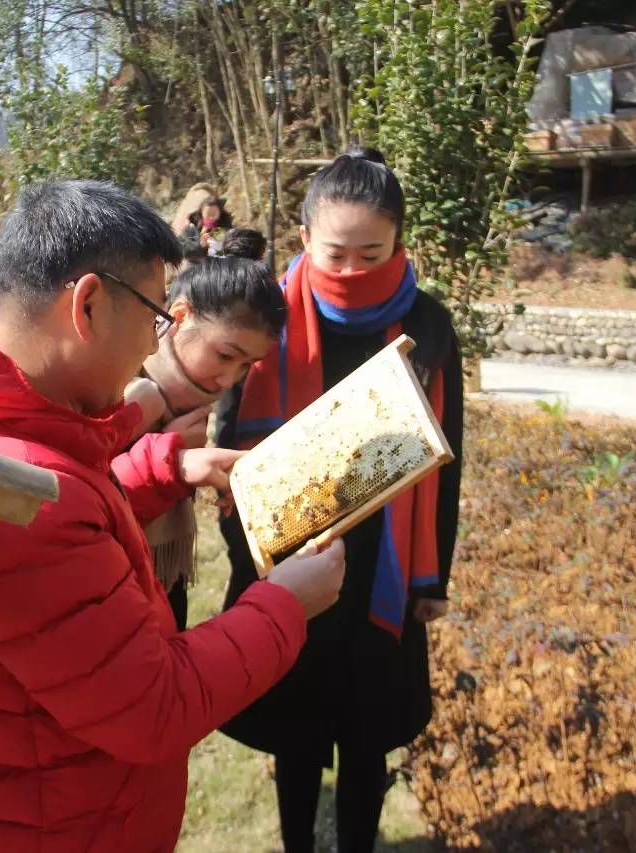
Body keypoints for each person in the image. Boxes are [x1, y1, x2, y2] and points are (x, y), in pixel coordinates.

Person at [0, 180, 346, 852]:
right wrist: (284, 604)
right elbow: (151, 703)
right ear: (87, 304)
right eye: (153, 315)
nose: (154, 339)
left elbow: (77, 503)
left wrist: (169, 469)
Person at [216, 148, 465, 853]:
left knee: (367, 738)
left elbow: (448, 461)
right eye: (337, 253)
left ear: (400, 243)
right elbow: (234, 432)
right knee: (296, 734)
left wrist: (432, 578)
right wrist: (249, 557)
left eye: (371, 253)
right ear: (304, 240)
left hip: (385, 564)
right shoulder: (269, 318)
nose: (353, 270)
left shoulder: (428, 328)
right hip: (294, 561)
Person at [124, 232, 284, 629]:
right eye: (226, 355)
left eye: (247, 365)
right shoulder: (118, 383)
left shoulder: (191, 409)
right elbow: (73, 501)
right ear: (179, 316)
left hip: (160, 592)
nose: (230, 377)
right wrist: (172, 464)